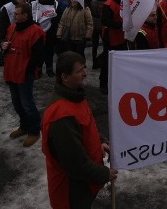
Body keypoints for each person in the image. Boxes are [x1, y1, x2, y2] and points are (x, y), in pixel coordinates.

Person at [42, 52, 117, 208]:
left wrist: (100, 142)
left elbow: (86, 127)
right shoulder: (61, 116)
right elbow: (75, 164)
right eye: (79, 71)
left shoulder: (75, 95)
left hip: (84, 184)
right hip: (72, 191)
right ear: (65, 77)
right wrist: (105, 174)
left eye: (84, 67)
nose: (85, 73)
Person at [2, 2, 46, 147]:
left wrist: (28, 71)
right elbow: (6, 45)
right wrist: (4, 47)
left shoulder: (36, 31)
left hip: (23, 73)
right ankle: (24, 125)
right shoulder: (12, 28)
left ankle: (34, 130)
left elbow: (38, 55)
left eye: (17, 13)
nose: (14, 15)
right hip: (11, 70)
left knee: (27, 103)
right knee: (16, 102)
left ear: (25, 15)